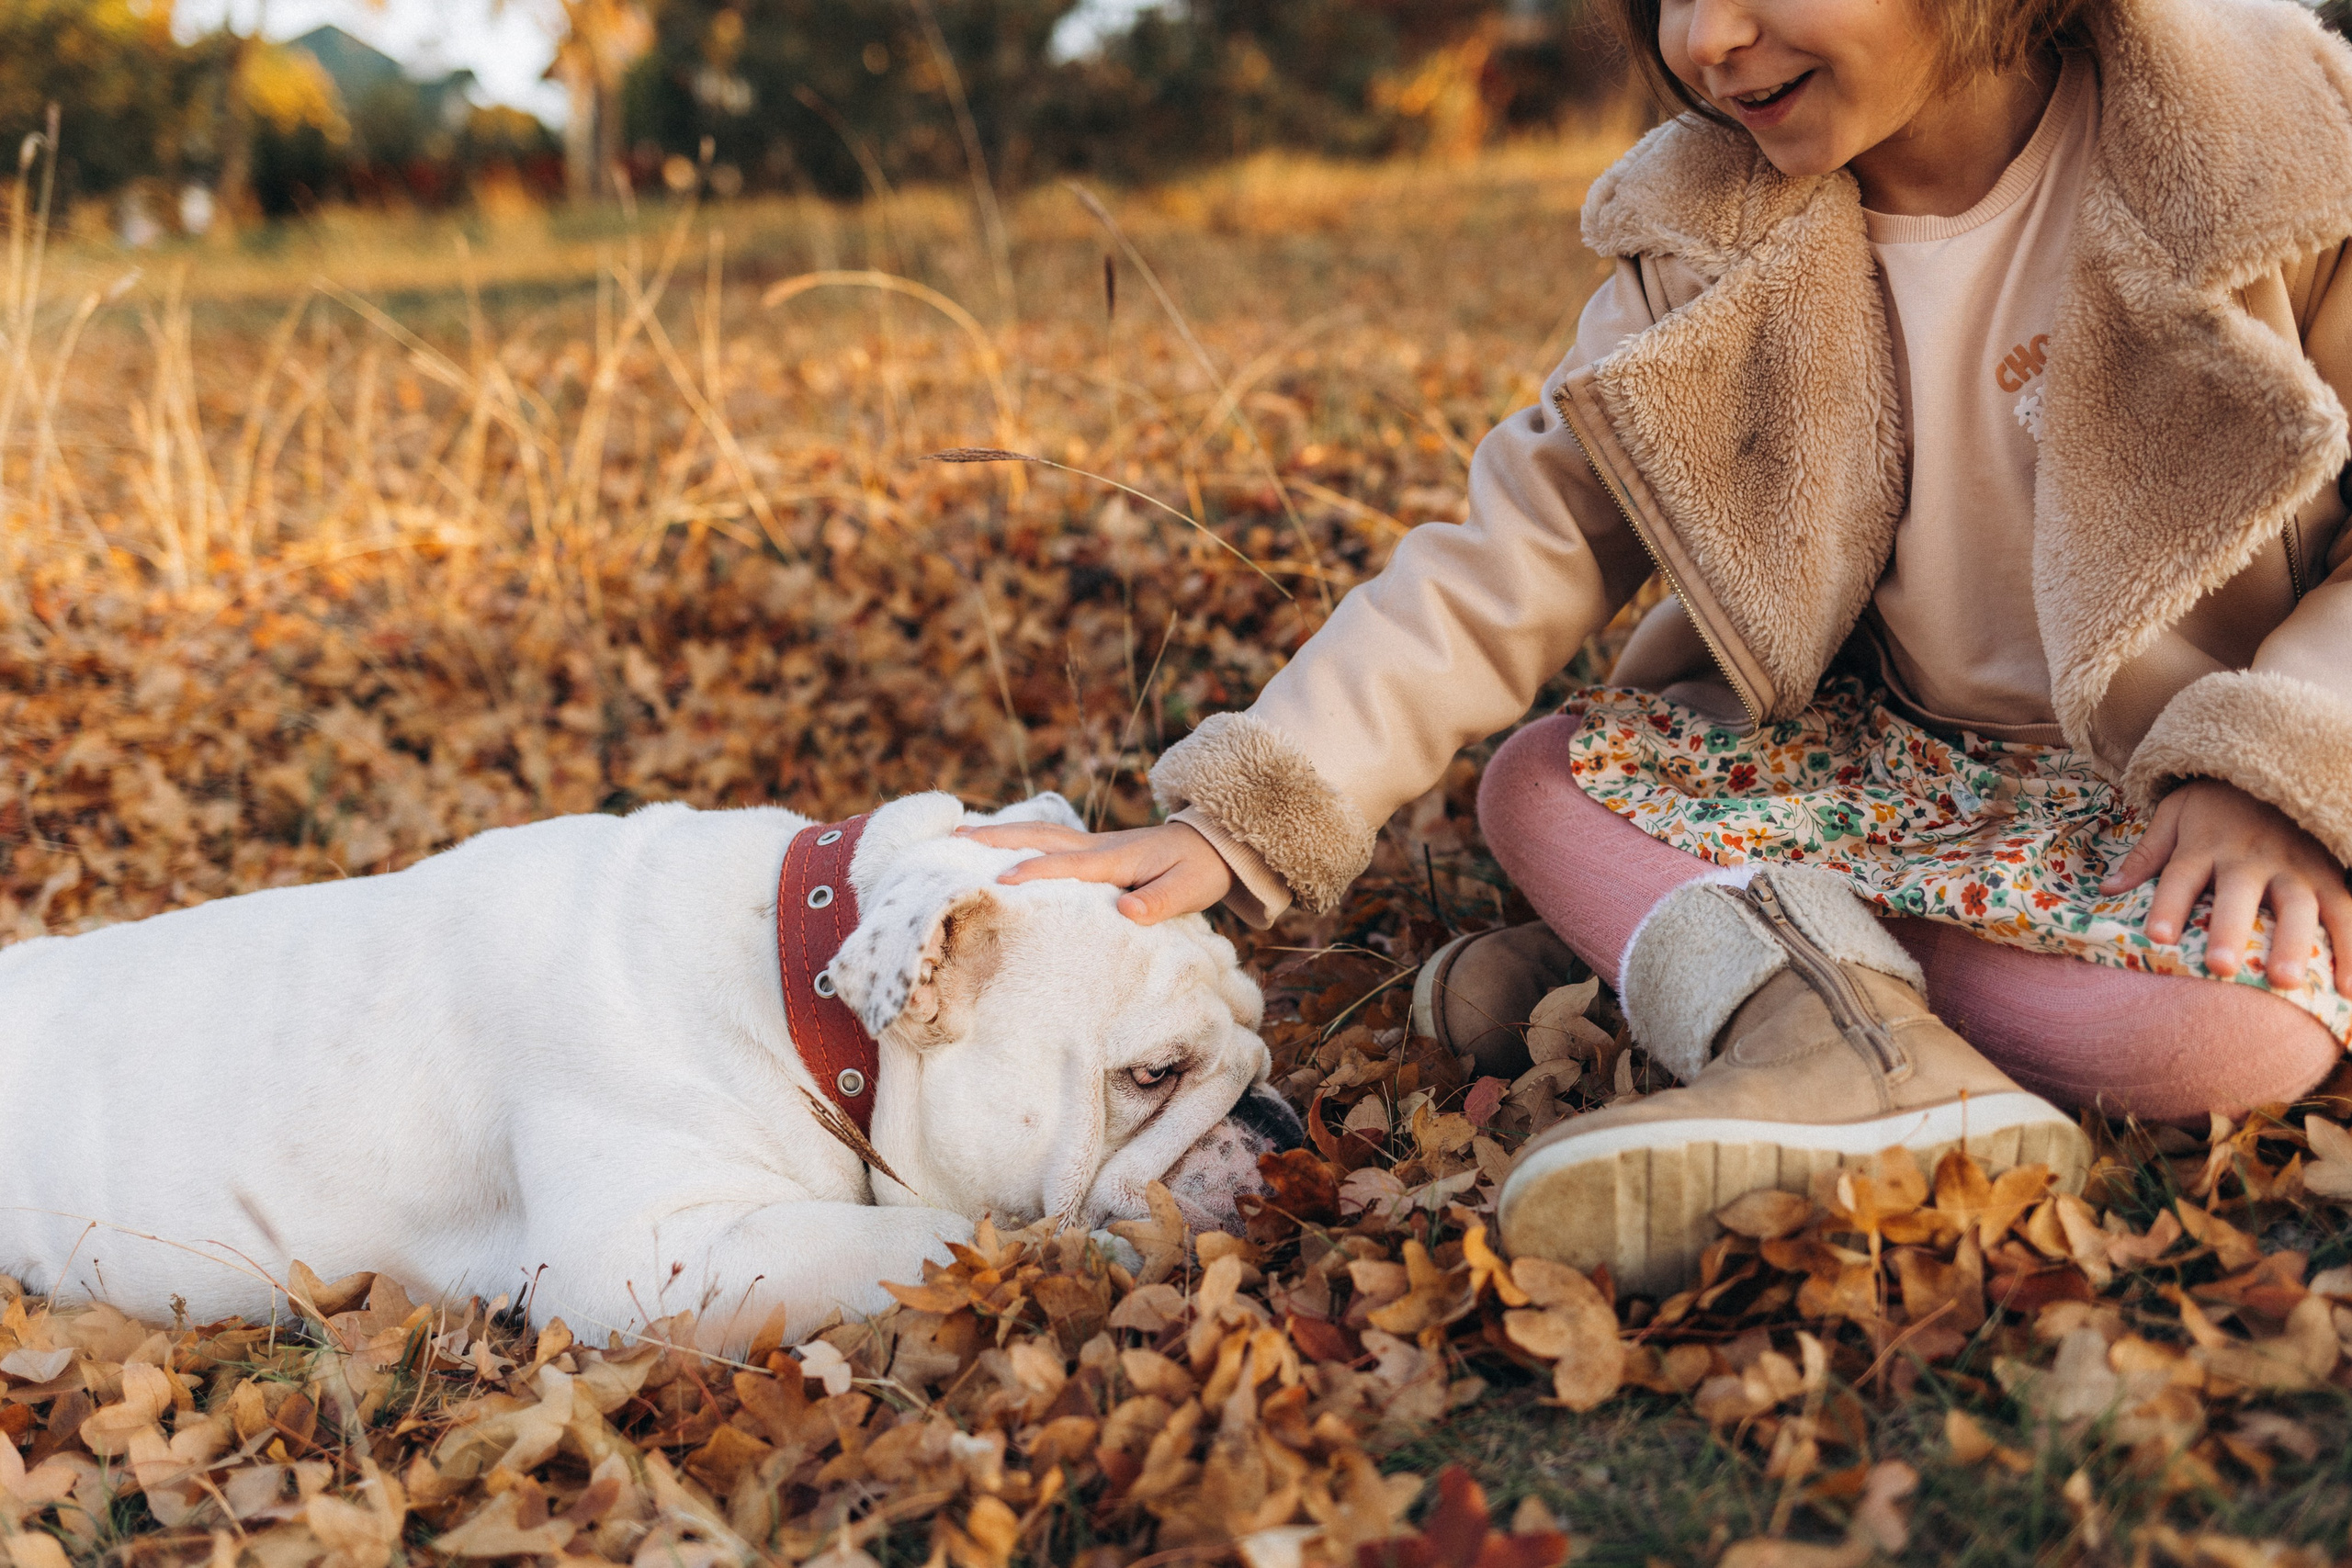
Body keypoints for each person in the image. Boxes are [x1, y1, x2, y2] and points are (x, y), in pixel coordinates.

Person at [967, 0, 2352, 1295]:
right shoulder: (1708, 231)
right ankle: (1836, 1042)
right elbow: (1525, 540)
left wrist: (2273, 770)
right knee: (1543, 780)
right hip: (1888, 768)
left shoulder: (2269, 156)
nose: (1704, 38)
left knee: (2230, 1034)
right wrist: (1248, 811)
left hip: (2169, 798)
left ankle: (1702, 975)